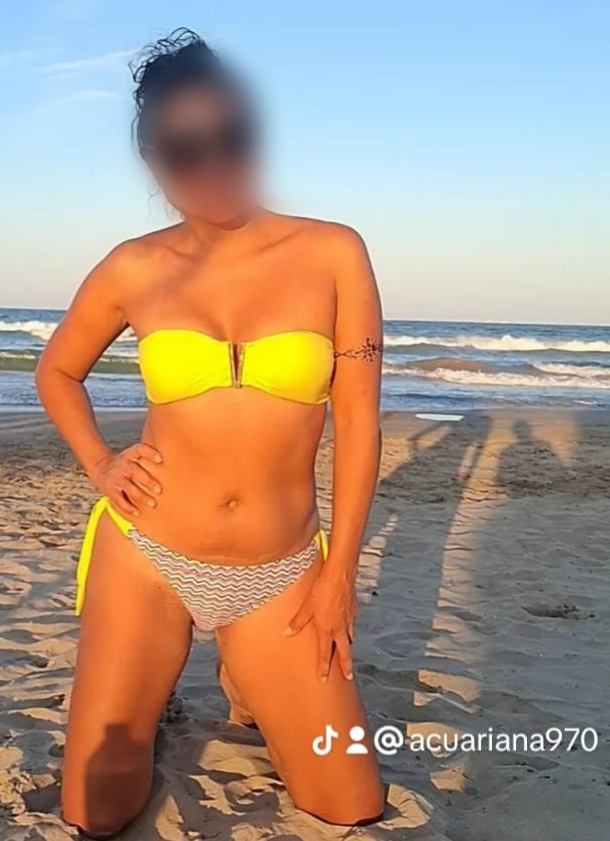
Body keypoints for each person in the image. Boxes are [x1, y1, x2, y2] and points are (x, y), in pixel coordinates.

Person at [36, 27, 384, 839]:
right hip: (148, 554)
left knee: (349, 804)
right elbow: (56, 371)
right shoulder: (133, 267)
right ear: (154, 162)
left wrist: (338, 572)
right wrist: (101, 463)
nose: (215, 164)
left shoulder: (333, 252)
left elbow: (358, 420)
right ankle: (154, 690)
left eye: (232, 137)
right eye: (186, 151)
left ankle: (240, 668)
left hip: (280, 570)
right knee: (96, 810)